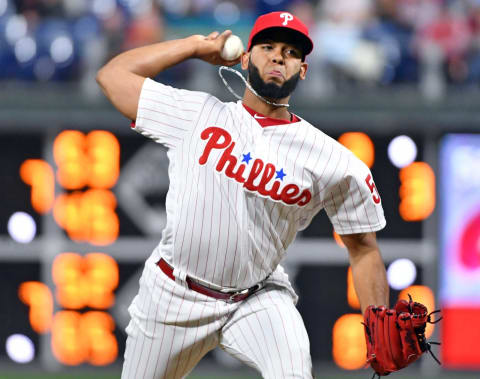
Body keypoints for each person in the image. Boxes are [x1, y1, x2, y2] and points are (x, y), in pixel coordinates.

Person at [97, 11, 389, 379]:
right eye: (267, 46)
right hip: (173, 294)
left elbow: (363, 247)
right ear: (246, 57)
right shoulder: (198, 115)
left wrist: (377, 321)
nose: (278, 56)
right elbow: (112, 77)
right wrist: (194, 46)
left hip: (256, 297)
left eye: (291, 52)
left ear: (303, 69)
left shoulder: (331, 159)